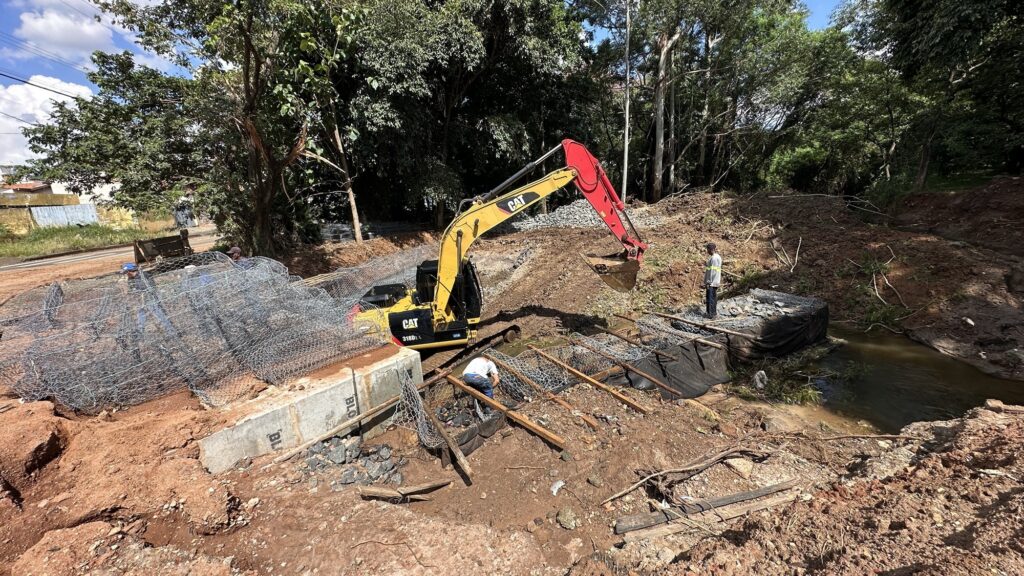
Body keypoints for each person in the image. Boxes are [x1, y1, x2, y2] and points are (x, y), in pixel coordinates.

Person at [703, 243, 722, 319]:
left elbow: (712, 272)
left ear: (711, 250)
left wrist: (708, 282)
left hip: (712, 282)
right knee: (713, 298)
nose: (707, 251)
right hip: (714, 282)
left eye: (707, 249)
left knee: (710, 298)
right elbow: (709, 271)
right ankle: (712, 313)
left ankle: (711, 314)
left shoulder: (714, 259)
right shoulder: (716, 257)